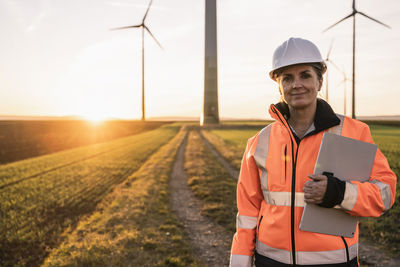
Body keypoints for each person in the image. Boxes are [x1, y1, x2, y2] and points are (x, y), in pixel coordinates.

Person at [229, 37, 397, 267]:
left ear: (320, 81)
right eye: (287, 78)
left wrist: (339, 193)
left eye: (305, 75)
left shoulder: (353, 132)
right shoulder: (259, 142)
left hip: (333, 262)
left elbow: (385, 194)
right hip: (271, 260)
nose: (296, 84)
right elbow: (247, 214)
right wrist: (240, 263)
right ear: (279, 86)